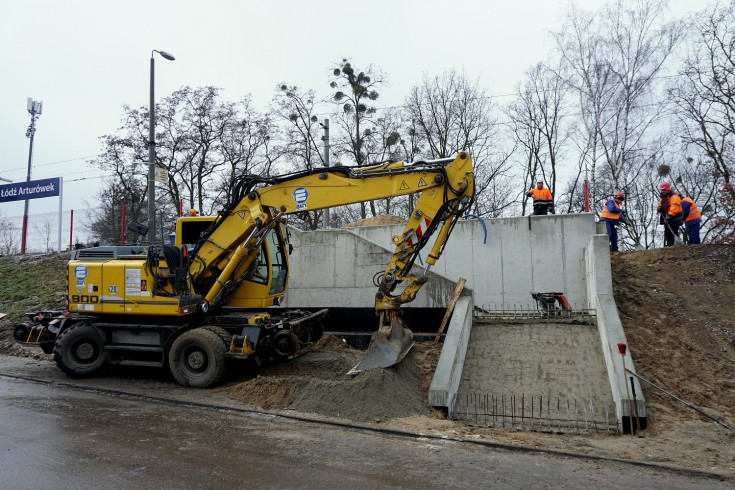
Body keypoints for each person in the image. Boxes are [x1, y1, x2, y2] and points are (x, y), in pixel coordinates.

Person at [657, 182, 683, 247]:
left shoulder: (674, 197)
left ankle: (675, 245)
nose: (663, 191)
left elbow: (675, 207)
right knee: (667, 232)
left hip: (674, 218)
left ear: (668, 189)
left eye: (664, 190)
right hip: (666, 217)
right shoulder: (663, 197)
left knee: (673, 231)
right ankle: (669, 245)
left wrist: (669, 216)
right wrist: (659, 207)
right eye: (662, 190)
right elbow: (660, 203)